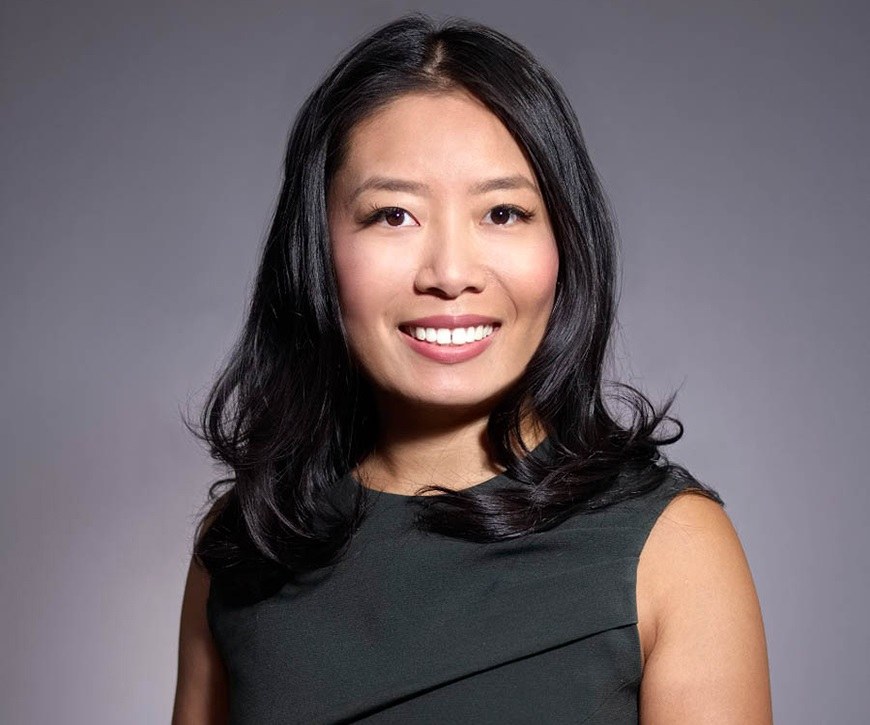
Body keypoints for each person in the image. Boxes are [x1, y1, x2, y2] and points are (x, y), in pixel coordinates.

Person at [172, 14, 771, 724]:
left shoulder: (674, 549)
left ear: (566, 240)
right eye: (393, 215)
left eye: (503, 213)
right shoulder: (241, 544)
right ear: (317, 248)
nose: (451, 273)